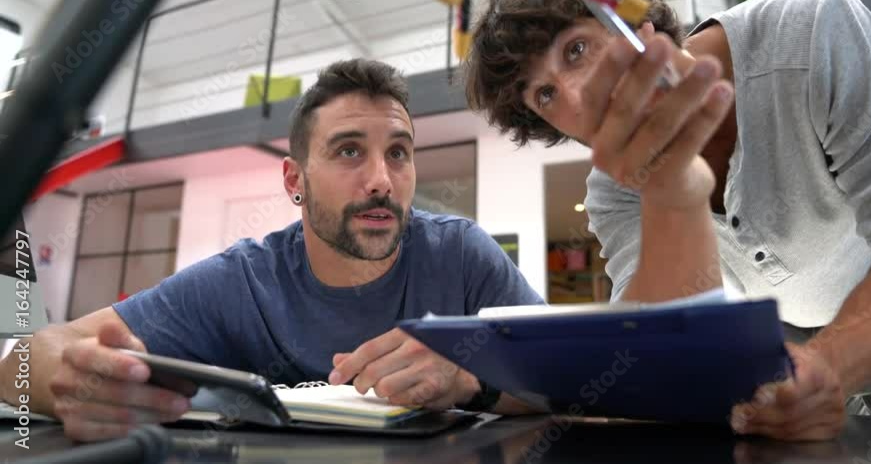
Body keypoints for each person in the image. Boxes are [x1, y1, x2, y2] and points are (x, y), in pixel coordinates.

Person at [463, 0, 871, 440]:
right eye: (546, 95)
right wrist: (669, 191)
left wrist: (826, 366)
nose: (576, 97)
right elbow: (662, 341)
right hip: (792, 345)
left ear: (631, 22)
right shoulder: (614, 191)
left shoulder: (809, 35)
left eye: (576, 50)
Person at [0, 58, 544, 441]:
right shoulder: (241, 281)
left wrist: (472, 384)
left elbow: (576, 384)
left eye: (398, 153)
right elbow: (18, 364)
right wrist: (71, 383)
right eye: (349, 150)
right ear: (294, 180)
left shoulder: (463, 255)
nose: (381, 179)